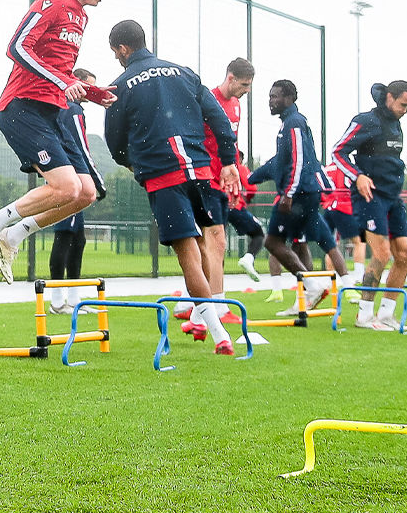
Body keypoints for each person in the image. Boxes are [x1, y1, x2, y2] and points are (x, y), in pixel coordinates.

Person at [0, 0, 119, 284]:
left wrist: (90, 92)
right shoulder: (53, 2)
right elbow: (17, 47)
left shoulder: (81, 16)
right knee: (66, 187)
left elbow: (59, 69)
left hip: (52, 111)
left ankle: (13, 236)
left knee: (85, 192)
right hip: (21, 107)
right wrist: (65, 81)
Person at [101, 20, 241, 354]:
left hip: (164, 176)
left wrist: (133, 165)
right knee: (211, 244)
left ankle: (219, 334)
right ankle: (211, 316)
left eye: (116, 52)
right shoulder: (184, 72)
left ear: (121, 49)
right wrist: (229, 160)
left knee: (189, 256)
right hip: (202, 170)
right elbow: (219, 119)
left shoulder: (119, 86)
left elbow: (115, 142)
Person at [330, 80, 407, 332]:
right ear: (389, 97)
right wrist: (358, 176)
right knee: (381, 253)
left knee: (405, 254)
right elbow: (338, 152)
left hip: (392, 197)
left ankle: (386, 314)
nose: (405, 110)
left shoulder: (396, 124)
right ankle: (364, 315)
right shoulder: (366, 120)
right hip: (370, 196)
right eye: (403, 104)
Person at [252, 80, 346, 317]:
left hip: (300, 193)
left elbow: (299, 159)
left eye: (275, 97)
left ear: (290, 98)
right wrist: (252, 177)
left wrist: (288, 193)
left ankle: (314, 287)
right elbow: (281, 161)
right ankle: (306, 297)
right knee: (298, 243)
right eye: (270, 96)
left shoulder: (294, 122)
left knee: (272, 242)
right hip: (305, 191)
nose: (270, 101)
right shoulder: (288, 124)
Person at [46, 68, 106, 315]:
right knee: (64, 238)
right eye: (90, 87)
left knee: (77, 239)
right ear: (78, 84)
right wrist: (97, 181)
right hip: (71, 181)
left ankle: (73, 299)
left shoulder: (63, 107)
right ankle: (58, 302)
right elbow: (81, 148)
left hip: (67, 178)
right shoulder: (72, 109)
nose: (92, 93)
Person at [197, 59, 254, 298]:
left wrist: (235, 177)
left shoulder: (236, 105)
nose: (246, 90)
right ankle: (215, 305)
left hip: (224, 181)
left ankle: (197, 303)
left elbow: (232, 144)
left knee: (209, 245)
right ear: (230, 78)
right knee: (216, 243)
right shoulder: (207, 100)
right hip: (206, 178)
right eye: (243, 85)